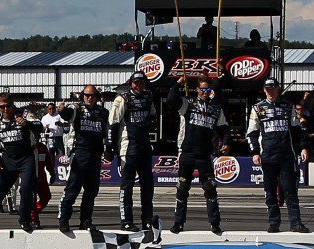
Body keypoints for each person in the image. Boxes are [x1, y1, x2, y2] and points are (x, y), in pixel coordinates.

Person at [166, 74, 229, 235]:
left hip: (205, 154)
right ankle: (178, 223)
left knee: (210, 188)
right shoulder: (189, 103)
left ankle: (215, 223)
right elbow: (171, 100)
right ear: (197, 89)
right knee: (182, 188)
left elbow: (224, 129)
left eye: (208, 88)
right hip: (187, 152)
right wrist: (177, 83)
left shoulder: (216, 108)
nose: (205, 91)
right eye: (203, 88)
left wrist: (226, 142)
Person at [246, 77, 311, 233]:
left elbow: (297, 131)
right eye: (267, 89)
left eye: (273, 89)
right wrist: (255, 152)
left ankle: (296, 223)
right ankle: (274, 223)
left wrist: (303, 147)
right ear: (264, 90)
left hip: (286, 155)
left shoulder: (288, 106)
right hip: (267, 155)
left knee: (290, 190)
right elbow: (251, 133)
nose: (270, 92)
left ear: (278, 89)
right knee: (270, 191)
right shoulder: (257, 108)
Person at [0, 92, 43, 234]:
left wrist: (28, 124)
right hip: (8, 158)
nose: (6, 109)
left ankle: (25, 221)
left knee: (26, 188)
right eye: (2, 106)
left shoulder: (24, 114)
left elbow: (39, 125)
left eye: (8, 106)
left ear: (13, 104)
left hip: (27, 156)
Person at [57, 84, 110, 233]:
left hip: (95, 155)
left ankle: (85, 221)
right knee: (72, 189)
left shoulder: (103, 112)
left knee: (91, 191)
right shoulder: (77, 108)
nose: (89, 98)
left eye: (92, 95)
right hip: (79, 154)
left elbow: (107, 132)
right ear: (82, 96)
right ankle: (63, 220)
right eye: (86, 95)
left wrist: (109, 149)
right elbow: (68, 114)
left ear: (97, 97)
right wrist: (62, 111)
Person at [108, 71, 157, 232]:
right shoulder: (122, 98)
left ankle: (147, 220)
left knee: (147, 185)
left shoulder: (148, 97)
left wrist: (150, 123)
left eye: (141, 82)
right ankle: (126, 220)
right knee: (127, 185)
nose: (138, 85)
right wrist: (109, 147)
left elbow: (153, 117)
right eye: (136, 82)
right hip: (128, 145)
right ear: (131, 83)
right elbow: (113, 123)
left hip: (144, 144)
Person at [30, 140, 54, 229]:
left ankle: (34, 211)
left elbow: (48, 162)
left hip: (42, 177)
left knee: (46, 196)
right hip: (30, 177)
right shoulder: (26, 147)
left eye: (38, 135)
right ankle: (33, 219)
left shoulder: (42, 147)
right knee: (32, 199)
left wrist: (52, 174)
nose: (36, 138)